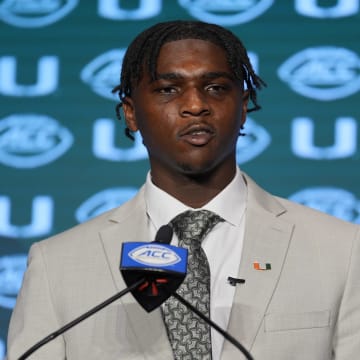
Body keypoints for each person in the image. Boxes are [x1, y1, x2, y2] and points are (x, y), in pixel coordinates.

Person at [6, 20, 360, 360]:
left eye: (216, 88)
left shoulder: (341, 251)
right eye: (168, 89)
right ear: (131, 113)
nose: (195, 105)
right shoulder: (57, 266)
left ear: (243, 109)